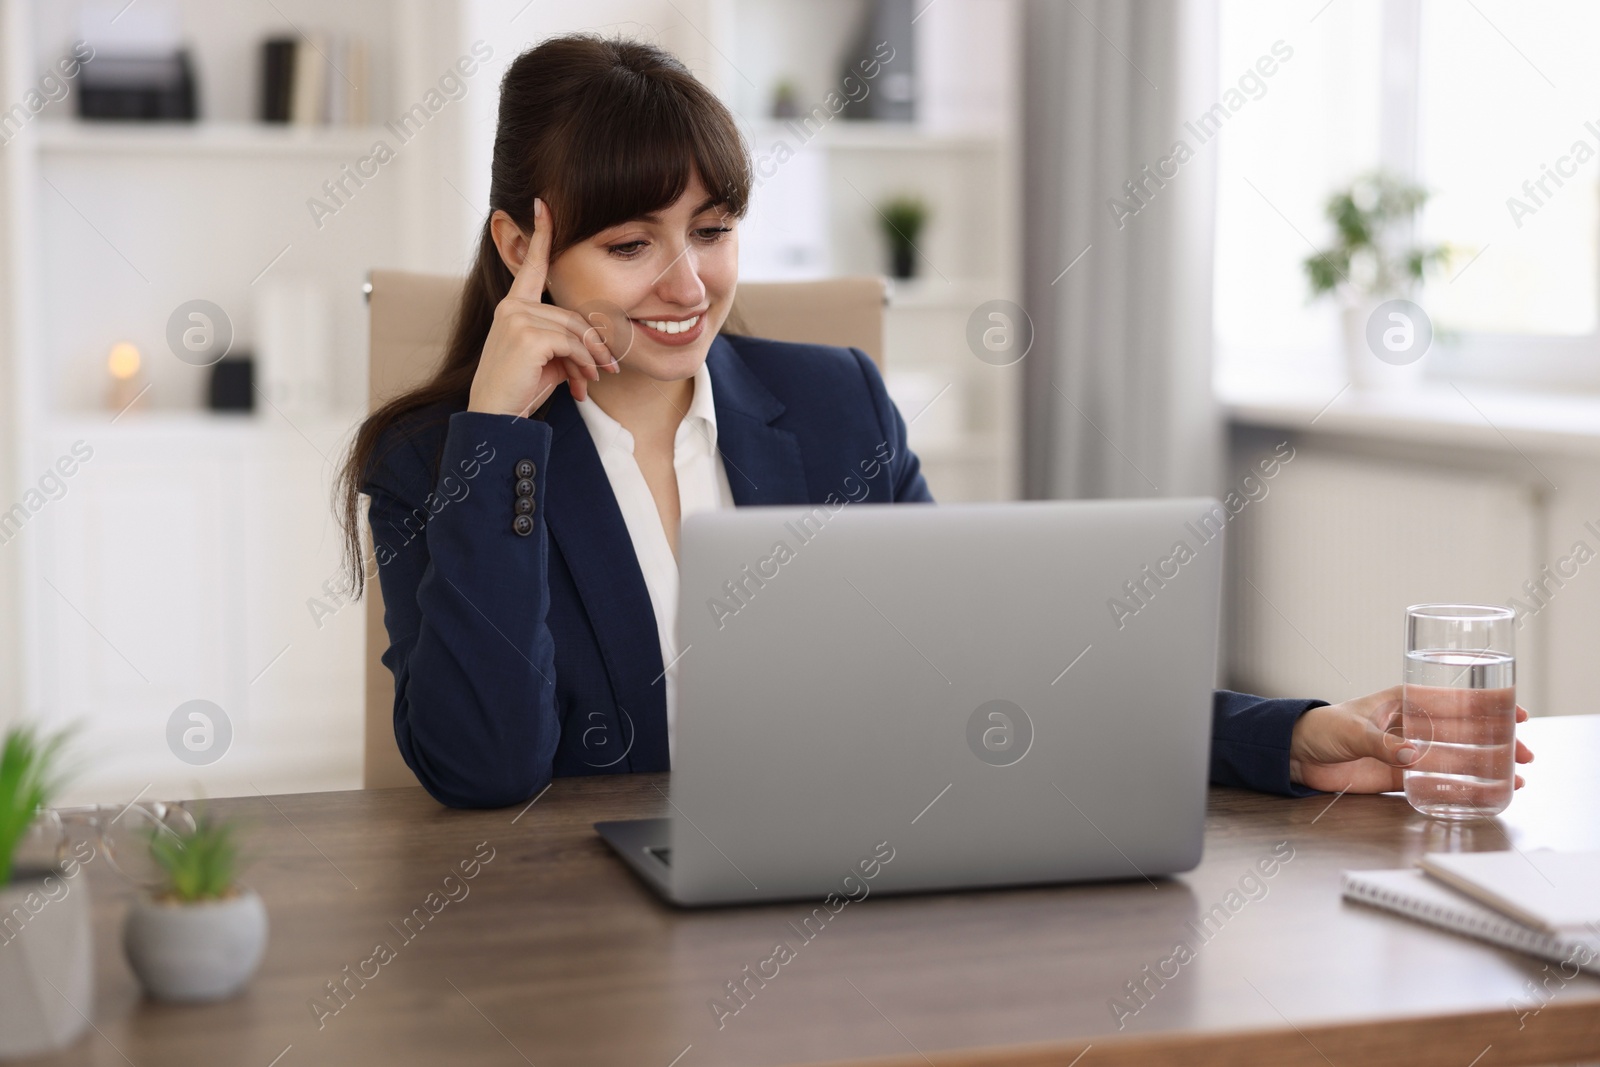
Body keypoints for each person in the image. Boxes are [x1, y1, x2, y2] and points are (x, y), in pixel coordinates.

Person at [336, 35, 1532, 809]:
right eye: (630, 243)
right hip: (574, 945)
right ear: (519, 247)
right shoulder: (434, 460)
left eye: (710, 230)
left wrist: (1289, 733)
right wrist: (499, 438)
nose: (688, 285)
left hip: (849, 907)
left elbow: (993, 674)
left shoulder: (832, 401)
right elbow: (486, 768)